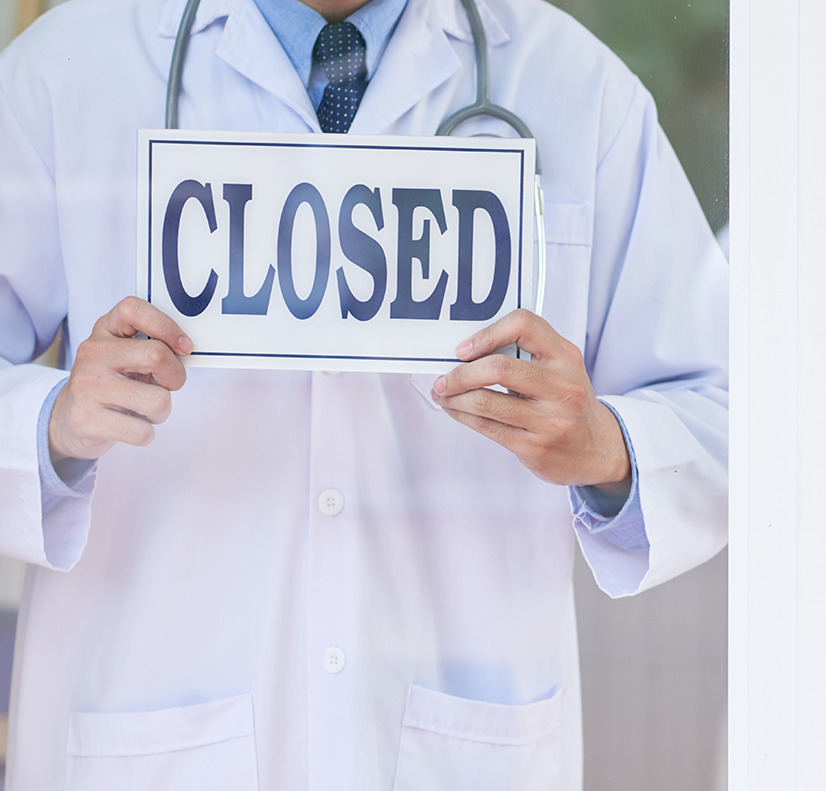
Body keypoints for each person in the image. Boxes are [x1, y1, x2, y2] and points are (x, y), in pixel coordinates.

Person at [0, 0, 729, 785]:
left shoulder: (578, 91)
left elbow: (722, 411)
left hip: (458, 745)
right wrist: (52, 424)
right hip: (146, 736)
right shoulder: (62, 74)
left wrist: (606, 446)